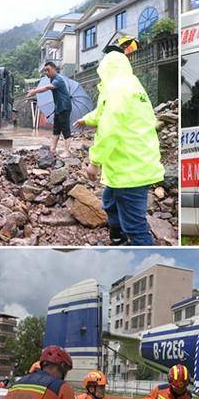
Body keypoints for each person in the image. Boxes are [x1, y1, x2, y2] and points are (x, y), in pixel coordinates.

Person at [73, 38, 163, 246]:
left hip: (129, 168)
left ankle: (142, 250)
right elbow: (105, 111)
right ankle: (118, 238)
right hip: (131, 163)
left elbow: (109, 128)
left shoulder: (118, 90)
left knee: (135, 225)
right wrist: (87, 119)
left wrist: (94, 162)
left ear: (106, 69)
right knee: (110, 202)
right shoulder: (131, 86)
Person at [26, 61, 73, 157]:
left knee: (65, 129)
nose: (46, 72)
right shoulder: (52, 79)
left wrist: (35, 91)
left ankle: (67, 151)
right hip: (58, 108)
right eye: (45, 71)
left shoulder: (58, 79)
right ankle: (52, 149)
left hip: (64, 107)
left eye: (48, 70)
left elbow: (48, 87)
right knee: (56, 129)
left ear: (54, 69)